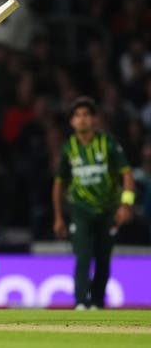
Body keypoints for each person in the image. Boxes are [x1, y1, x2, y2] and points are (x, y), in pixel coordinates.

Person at [52, 96, 134, 310]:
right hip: (80, 211)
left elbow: (126, 174)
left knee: (103, 259)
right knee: (83, 256)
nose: (82, 119)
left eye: (86, 115)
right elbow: (59, 183)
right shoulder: (69, 147)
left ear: (94, 119)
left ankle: (97, 303)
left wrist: (126, 205)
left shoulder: (107, 143)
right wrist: (59, 216)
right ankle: (80, 302)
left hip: (108, 210)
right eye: (78, 115)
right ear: (72, 122)